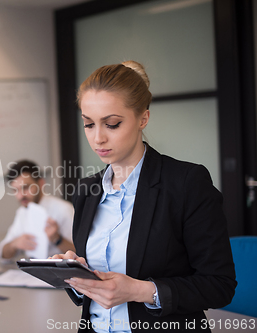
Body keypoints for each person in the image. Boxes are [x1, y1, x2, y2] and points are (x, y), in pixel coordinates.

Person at [51, 61, 236, 332]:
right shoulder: (86, 190)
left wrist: (140, 291)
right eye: (89, 124)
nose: (98, 138)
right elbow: (93, 295)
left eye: (112, 124)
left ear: (143, 118)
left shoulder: (186, 183)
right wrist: (78, 277)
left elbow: (220, 285)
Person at [0, 160, 75, 260]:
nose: (21, 195)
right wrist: (14, 244)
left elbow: (82, 253)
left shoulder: (64, 210)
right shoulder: (22, 212)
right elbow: (2, 253)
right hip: (30, 270)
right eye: (15, 190)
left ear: (41, 183)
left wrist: (57, 238)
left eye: (25, 187)